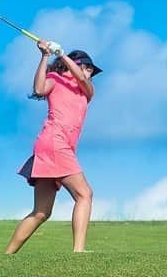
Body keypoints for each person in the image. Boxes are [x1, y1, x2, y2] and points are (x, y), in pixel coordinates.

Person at [5, 39, 102, 254]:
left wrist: (63, 55)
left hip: (53, 147)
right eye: (84, 65)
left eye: (89, 68)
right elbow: (39, 89)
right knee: (84, 194)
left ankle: (6, 256)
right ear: (67, 66)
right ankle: (79, 251)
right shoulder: (55, 80)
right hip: (54, 144)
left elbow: (79, 78)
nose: (87, 71)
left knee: (41, 212)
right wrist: (45, 56)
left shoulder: (87, 90)